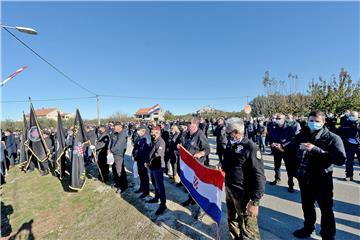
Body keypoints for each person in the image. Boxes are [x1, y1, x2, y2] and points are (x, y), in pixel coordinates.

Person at [275, 111, 346, 240]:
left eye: (317, 121)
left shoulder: (332, 138)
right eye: (311, 121)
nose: (313, 124)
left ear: (323, 122)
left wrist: (315, 149)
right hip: (304, 178)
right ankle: (308, 228)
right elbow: (292, 145)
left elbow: (341, 159)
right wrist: (281, 146)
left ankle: (328, 235)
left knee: (326, 209)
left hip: (322, 180)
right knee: (307, 206)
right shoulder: (303, 134)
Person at [220, 117, 266, 240]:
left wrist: (255, 202)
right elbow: (229, 162)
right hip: (230, 190)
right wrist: (222, 166)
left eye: (228, 131)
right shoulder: (231, 143)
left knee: (248, 231)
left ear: (236, 132)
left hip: (244, 195)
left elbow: (259, 177)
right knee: (232, 220)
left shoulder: (251, 147)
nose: (226, 133)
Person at [181, 117, 210, 220]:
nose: (187, 126)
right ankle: (191, 200)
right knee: (190, 185)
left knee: (199, 188)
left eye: (189, 125)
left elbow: (207, 149)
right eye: (187, 125)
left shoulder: (200, 134)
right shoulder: (188, 134)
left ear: (195, 125)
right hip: (189, 166)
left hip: (198, 165)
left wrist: (200, 153)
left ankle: (202, 209)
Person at [269, 113, 296, 192]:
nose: (277, 120)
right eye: (276, 118)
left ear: (284, 119)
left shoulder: (289, 128)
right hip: (276, 150)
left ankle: (290, 184)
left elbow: (293, 140)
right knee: (277, 166)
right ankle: (277, 179)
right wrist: (272, 143)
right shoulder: (273, 127)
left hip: (286, 151)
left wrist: (282, 145)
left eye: (279, 118)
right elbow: (270, 137)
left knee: (289, 168)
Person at [145, 125, 167, 215]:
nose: (151, 133)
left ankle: (163, 204)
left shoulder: (161, 142)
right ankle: (156, 197)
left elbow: (157, 155)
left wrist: (148, 162)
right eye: (151, 132)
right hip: (152, 166)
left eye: (153, 132)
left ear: (158, 132)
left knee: (160, 186)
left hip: (158, 166)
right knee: (154, 183)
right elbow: (150, 152)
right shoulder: (153, 140)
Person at [338, 111, 360, 181]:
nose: (352, 116)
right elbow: (341, 132)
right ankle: (349, 175)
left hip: (358, 145)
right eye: (351, 115)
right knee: (349, 161)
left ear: (357, 116)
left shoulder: (359, 124)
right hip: (348, 145)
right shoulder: (346, 123)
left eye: (353, 115)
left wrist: (357, 127)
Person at [132, 125, 151, 198]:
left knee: (145, 176)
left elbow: (146, 151)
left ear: (143, 131)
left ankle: (146, 191)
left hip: (143, 160)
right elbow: (136, 147)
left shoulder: (146, 138)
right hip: (139, 159)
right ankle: (142, 188)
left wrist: (146, 161)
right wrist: (134, 154)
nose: (137, 133)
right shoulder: (140, 138)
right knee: (141, 174)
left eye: (138, 131)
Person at [109, 122, 128, 193]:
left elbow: (118, 145)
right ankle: (118, 183)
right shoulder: (115, 133)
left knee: (119, 170)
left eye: (115, 127)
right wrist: (109, 149)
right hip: (113, 153)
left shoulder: (122, 134)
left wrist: (111, 150)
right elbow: (111, 142)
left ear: (119, 127)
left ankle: (123, 186)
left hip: (118, 154)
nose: (113, 128)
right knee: (114, 169)